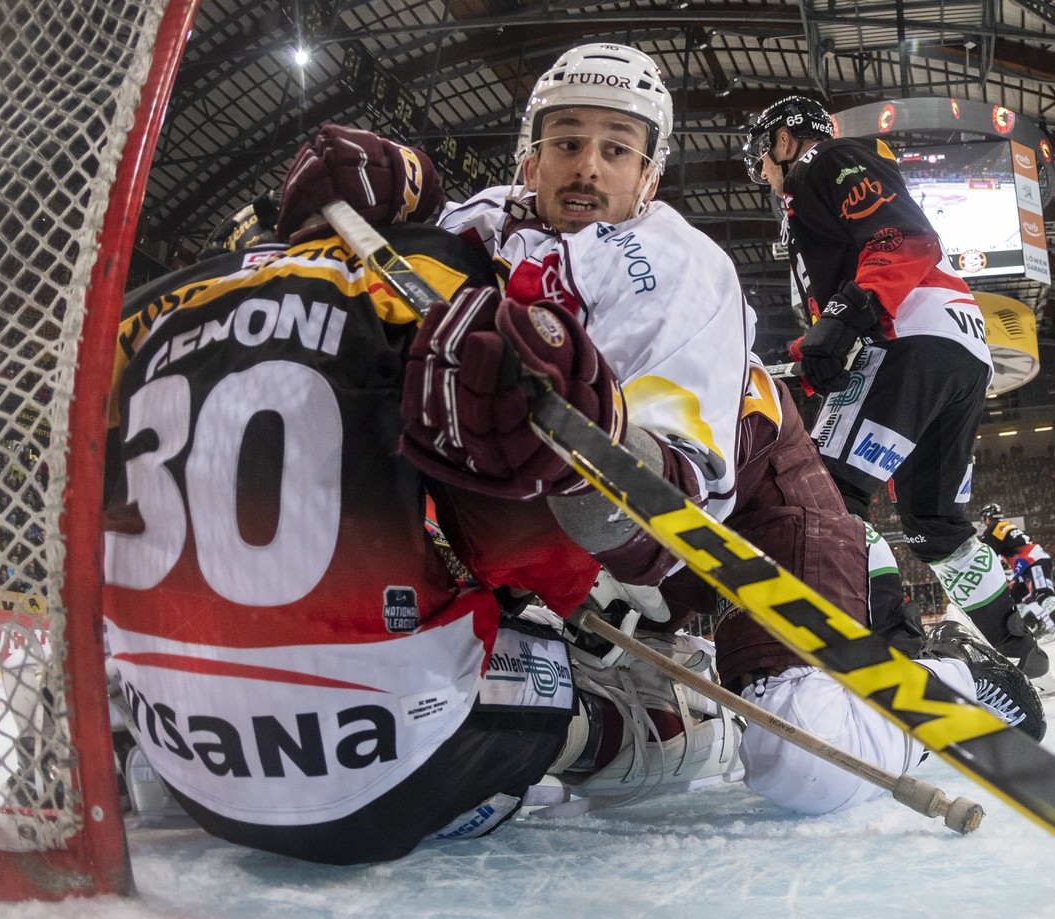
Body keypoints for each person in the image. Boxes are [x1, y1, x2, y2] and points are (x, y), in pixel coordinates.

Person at [275, 43, 1044, 820]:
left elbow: (669, 522)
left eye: (617, 148)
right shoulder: (482, 223)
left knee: (805, 764)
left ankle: (945, 676)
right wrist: (396, 185)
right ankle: (658, 688)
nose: (587, 168)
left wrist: (585, 446)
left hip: (752, 515)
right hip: (579, 554)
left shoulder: (681, 272)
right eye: (567, 142)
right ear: (530, 154)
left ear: (649, 173)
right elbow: (381, 269)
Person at [102, 135, 738, 866]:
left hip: (191, 773)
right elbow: (511, 539)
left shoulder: (142, 311)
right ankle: (631, 733)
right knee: (551, 656)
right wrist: (579, 597)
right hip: (380, 774)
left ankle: (140, 742)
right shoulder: (431, 274)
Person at [743, 95, 1055, 699]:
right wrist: (814, 350)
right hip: (959, 348)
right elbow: (844, 313)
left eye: (762, 154)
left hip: (907, 334)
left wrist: (847, 315)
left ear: (785, 141)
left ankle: (898, 651)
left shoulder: (828, 160)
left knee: (832, 494)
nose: (761, 171)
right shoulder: (817, 190)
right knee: (933, 523)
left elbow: (907, 240)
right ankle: (1022, 653)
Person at [981, 504, 1055, 643]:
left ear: (987, 518)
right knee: (1013, 597)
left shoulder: (993, 529)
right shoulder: (1005, 525)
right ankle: (1040, 630)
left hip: (1032, 561)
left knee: (1042, 594)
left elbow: (987, 555)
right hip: (1024, 565)